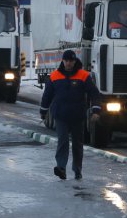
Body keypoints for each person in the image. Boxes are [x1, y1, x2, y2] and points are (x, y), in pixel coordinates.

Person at [40, 50, 101, 181]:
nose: (68, 63)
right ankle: (61, 168)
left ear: (74, 61)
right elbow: (47, 95)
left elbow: (94, 93)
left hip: (77, 116)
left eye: (71, 61)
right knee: (62, 142)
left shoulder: (83, 76)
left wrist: (96, 110)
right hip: (61, 115)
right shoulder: (55, 76)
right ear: (63, 61)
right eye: (66, 60)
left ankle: (77, 170)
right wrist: (43, 111)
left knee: (77, 145)